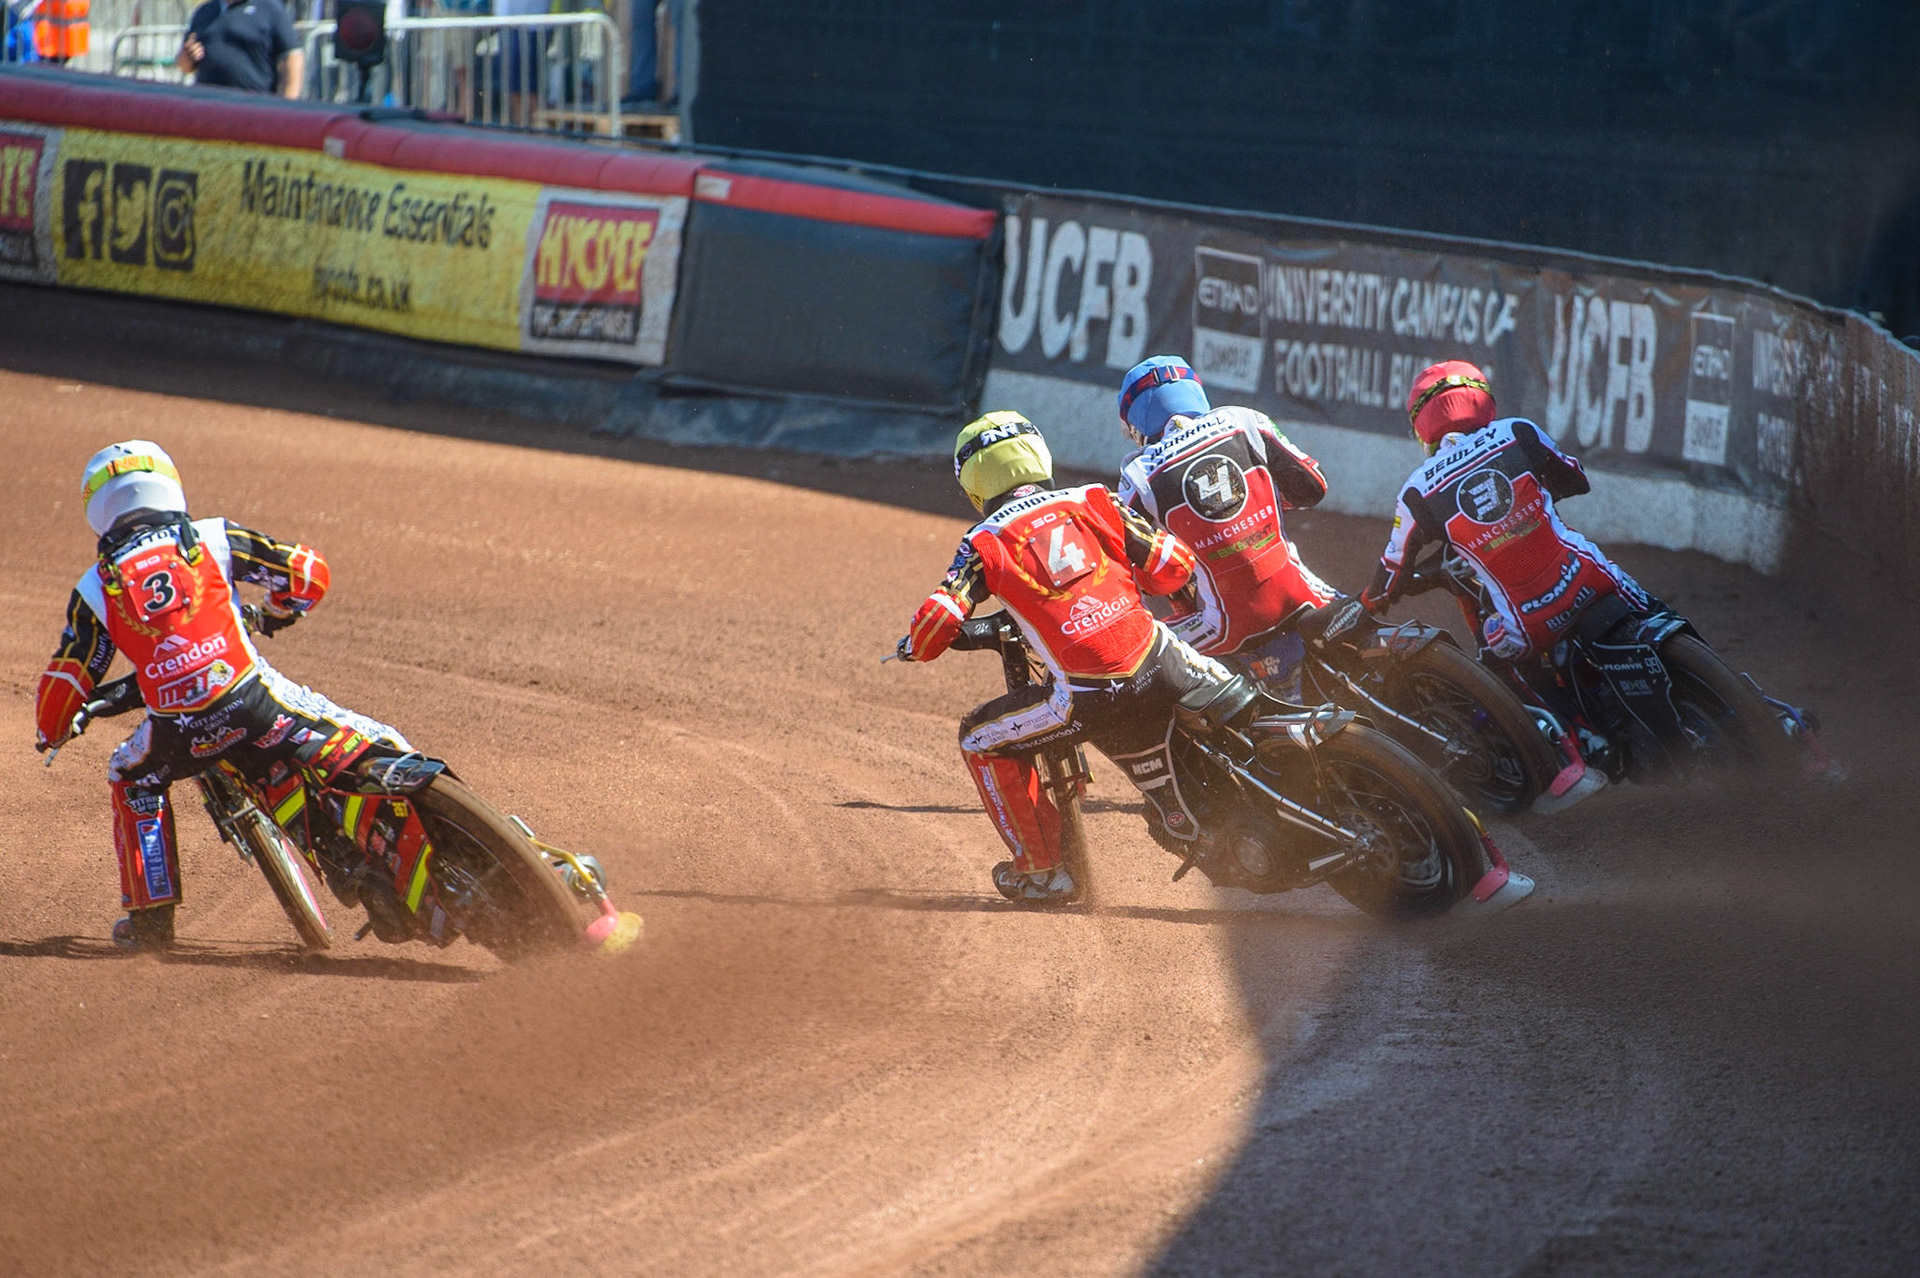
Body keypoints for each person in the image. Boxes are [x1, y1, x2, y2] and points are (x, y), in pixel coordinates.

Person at [34, 442, 409, 950]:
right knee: (379, 738)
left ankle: (151, 926)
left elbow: (64, 685)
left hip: (177, 734)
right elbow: (307, 574)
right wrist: (280, 609)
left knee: (130, 776)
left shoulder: (96, 588)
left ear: (98, 511)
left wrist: (53, 729)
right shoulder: (214, 537)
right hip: (256, 704)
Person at [894, 411, 1232, 904]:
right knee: (1243, 698)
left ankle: (1042, 872)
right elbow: (1173, 568)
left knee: (978, 740)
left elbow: (934, 628)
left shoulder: (983, 542)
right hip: (1164, 661)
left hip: (1089, 697)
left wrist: (913, 645)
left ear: (973, 483)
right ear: (1038, 454)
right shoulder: (1095, 499)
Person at [1358, 360, 1651, 662]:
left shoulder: (1416, 491)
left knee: (1491, 647)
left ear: (1422, 425)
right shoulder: (1518, 431)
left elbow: (1393, 569)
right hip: (1590, 578)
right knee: (1657, 614)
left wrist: (1368, 601)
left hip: (1526, 625)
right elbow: (1576, 478)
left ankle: (1545, 709)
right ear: (1481, 399)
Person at [1114, 355, 1338, 664]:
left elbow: (1142, 571)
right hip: (1306, 595)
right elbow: (1314, 487)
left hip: (1227, 626)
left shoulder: (1137, 474)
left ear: (1137, 421)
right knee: (1355, 621)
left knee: (1138, 657)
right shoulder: (1243, 419)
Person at [177, 0, 304, 99]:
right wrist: (186, 58)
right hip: (209, 106)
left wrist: (288, 103)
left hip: (255, 107)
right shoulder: (205, 12)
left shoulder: (270, 9)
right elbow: (186, 65)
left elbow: (292, 57)